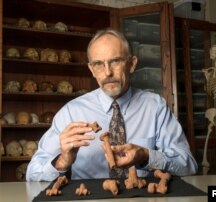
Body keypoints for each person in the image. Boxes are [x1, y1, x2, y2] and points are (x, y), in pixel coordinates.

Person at [26, 28, 197, 181]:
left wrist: (146, 156)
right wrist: (63, 161)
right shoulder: (71, 112)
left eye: (115, 61)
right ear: (92, 70)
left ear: (132, 64)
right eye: (99, 64)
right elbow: (32, 174)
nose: (107, 72)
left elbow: (188, 165)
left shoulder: (155, 107)